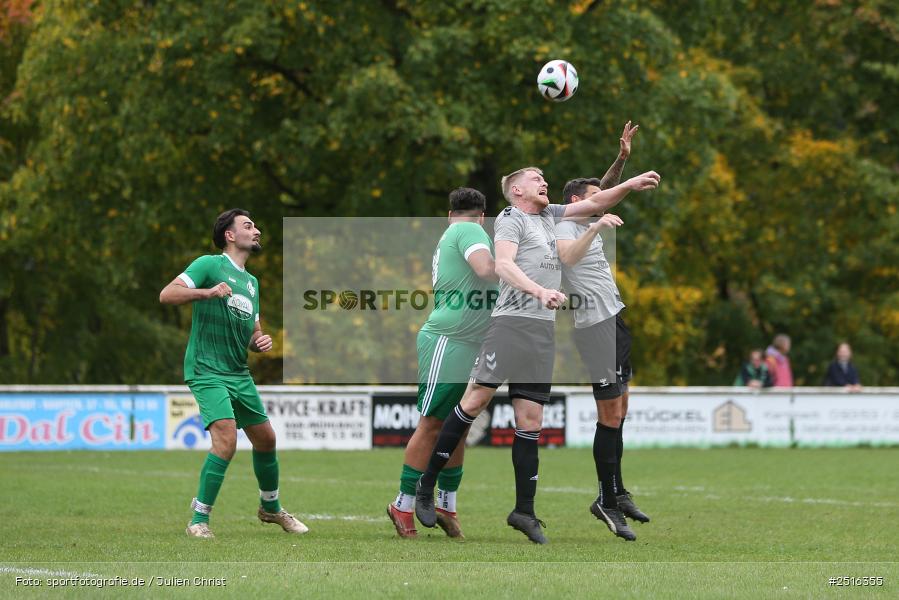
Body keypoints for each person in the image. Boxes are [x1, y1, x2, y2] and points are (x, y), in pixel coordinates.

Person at [414, 164, 660, 544]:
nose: (544, 181)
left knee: (531, 421)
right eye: (535, 178)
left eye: (545, 177)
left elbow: (596, 201)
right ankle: (426, 486)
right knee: (474, 401)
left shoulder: (550, 215)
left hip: (541, 330)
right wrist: (539, 292)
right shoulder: (512, 219)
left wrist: (630, 182)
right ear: (516, 192)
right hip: (511, 323)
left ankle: (524, 512)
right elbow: (504, 265)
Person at [159, 209, 308, 539]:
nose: (256, 231)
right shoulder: (209, 265)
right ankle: (198, 520)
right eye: (248, 225)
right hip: (206, 369)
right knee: (225, 440)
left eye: (255, 225)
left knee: (266, 439)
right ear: (229, 235)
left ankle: (270, 508)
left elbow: (252, 330)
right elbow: (166, 294)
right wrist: (207, 292)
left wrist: (259, 341)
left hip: (238, 372)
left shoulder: (252, 283)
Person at [554, 123, 650, 542]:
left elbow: (606, 189)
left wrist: (623, 160)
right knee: (609, 416)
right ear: (577, 202)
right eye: (594, 197)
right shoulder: (562, 224)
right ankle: (606, 501)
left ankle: (617, 491)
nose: (603, 200)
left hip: (614, 319)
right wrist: (596, 226)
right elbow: (569, 261)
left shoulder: (586, 210)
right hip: (593, 328)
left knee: (621, 411)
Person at [387, 188, 499, 540]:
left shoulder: (456, 229)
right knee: (433, 422)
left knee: (459, 424)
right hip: (448, 339)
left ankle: (446, 505)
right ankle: (402, 504)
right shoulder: (470, 230)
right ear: (481, 216)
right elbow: (485, 270)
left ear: (449, 213)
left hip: (468, 340)